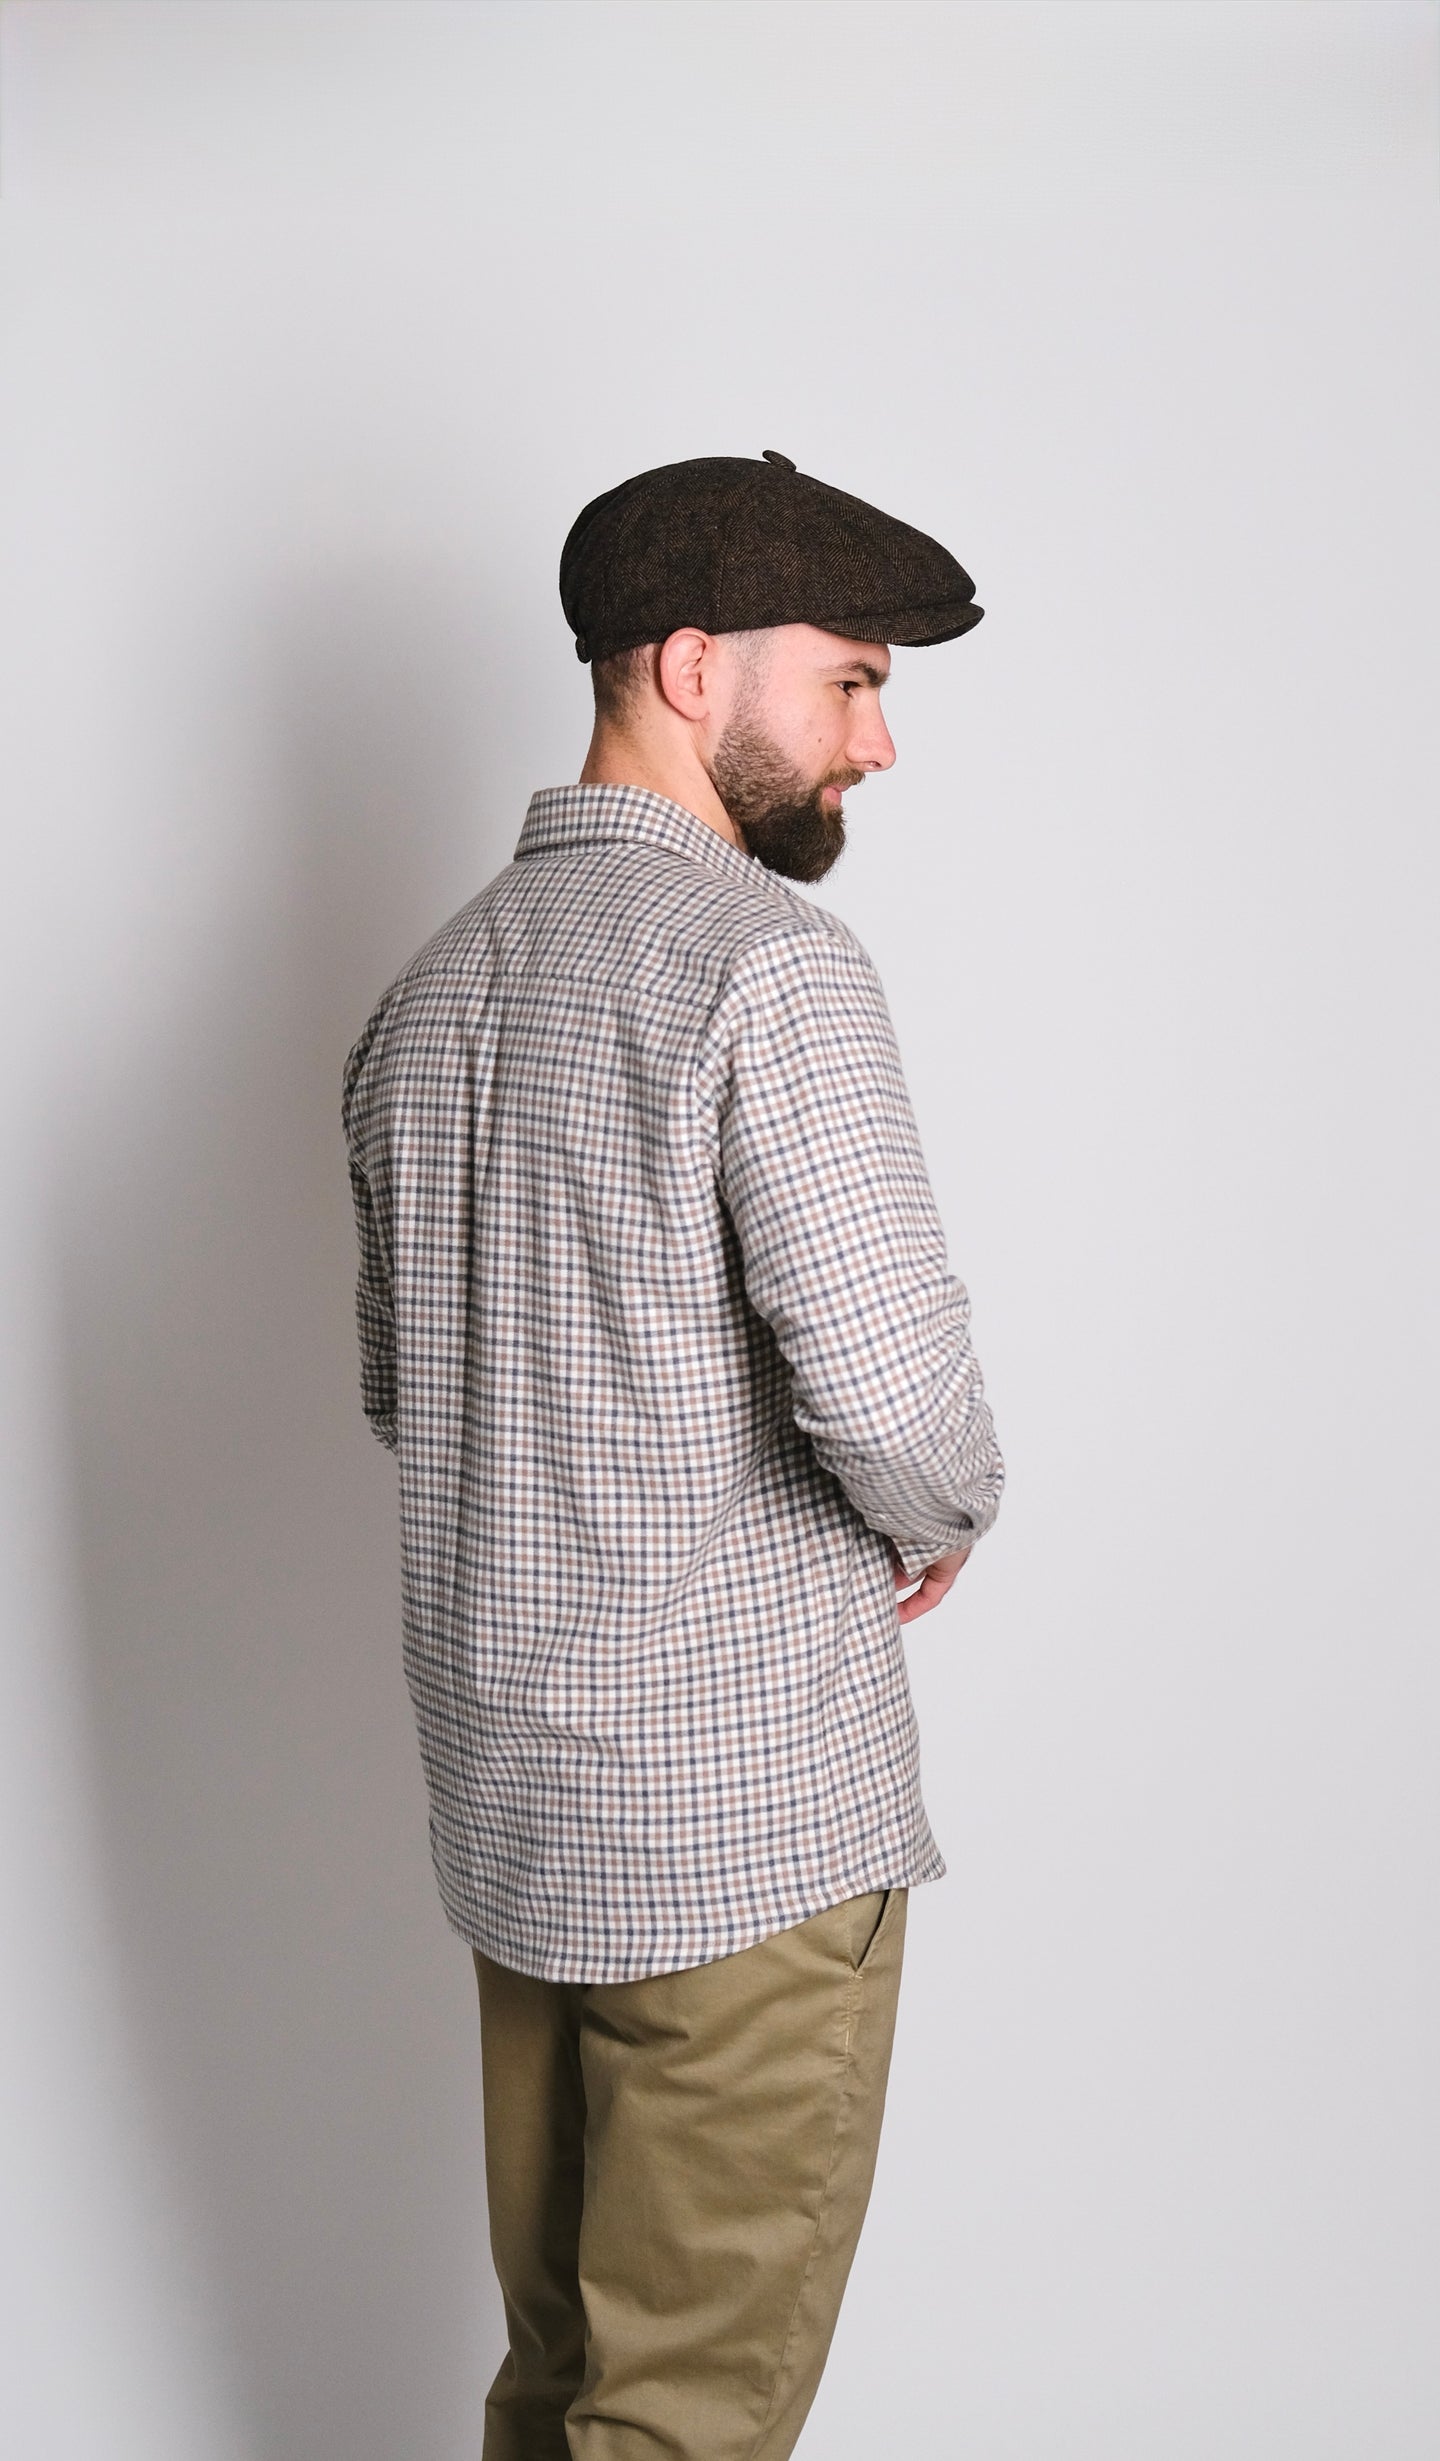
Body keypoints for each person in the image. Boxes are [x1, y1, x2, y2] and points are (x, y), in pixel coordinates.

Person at [342, 449, 1005, 2459]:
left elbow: (412, 1395)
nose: (878, 742)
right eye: (853, 679)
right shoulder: (766, 969)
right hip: (745, 1845)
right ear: (693, 665)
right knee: (683, 2422)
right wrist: (946, 1509)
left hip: (522, 1830)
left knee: (559, 2385)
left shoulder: (423, 997)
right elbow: (897, 1411)